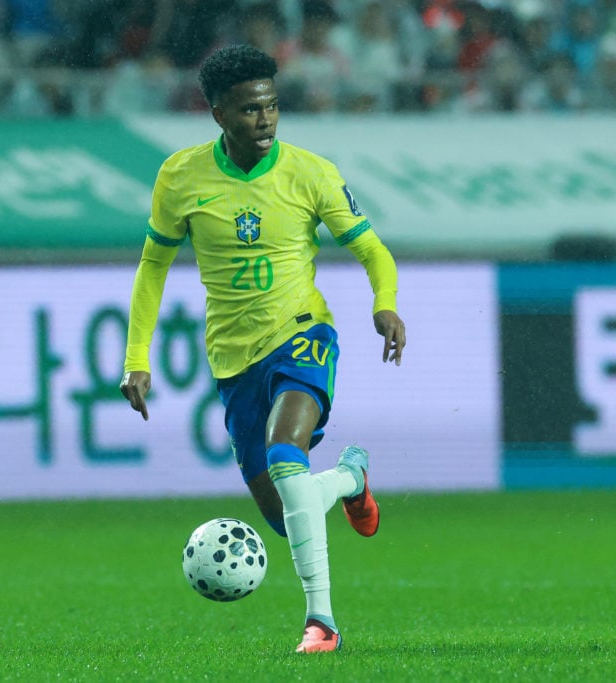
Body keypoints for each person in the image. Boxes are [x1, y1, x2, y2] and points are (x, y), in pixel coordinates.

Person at [119, 44, 407, 654]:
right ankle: (351, 479)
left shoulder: (311, 173)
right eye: (250, 110)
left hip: (303, 335)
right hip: (233, 360)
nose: (266, 120)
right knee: (286, 513)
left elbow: (373, 249)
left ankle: (322, 623)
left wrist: (384, 301)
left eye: (273, 106)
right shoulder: (180, 177)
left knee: (285, 451)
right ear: (218, 112)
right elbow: (152, 268)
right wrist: (136, 358)